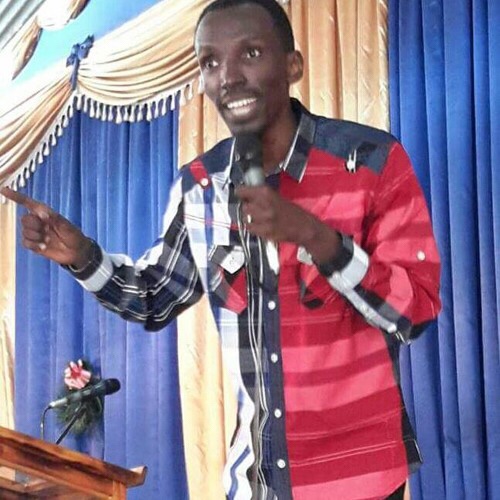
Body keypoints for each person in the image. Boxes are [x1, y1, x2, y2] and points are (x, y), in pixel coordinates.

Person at [1, 0, 441, 498]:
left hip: (358, 482)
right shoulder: (201, 185)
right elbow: (154, 296)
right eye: (210, 62)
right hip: (255, 480)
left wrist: (317, 238)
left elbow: (416, 311)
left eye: (250, 53)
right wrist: (81, 255)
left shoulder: (371, 160)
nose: (228, 76)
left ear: (293, 66)